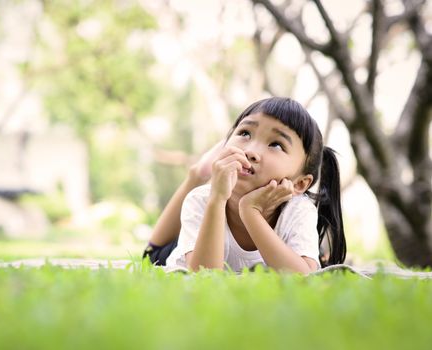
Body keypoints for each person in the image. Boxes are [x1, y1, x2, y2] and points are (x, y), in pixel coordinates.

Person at [143, 97, 346, 273]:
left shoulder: (299, 210)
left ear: (300, 184)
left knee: (313, 257)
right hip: (184, 251)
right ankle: (199, 173)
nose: (251, 150)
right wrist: (217, 199)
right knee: (151, 255)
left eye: (276, 144)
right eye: (245, 133)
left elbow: (305, 280)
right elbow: (203, 276)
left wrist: (251, 212)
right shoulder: (204, 199)